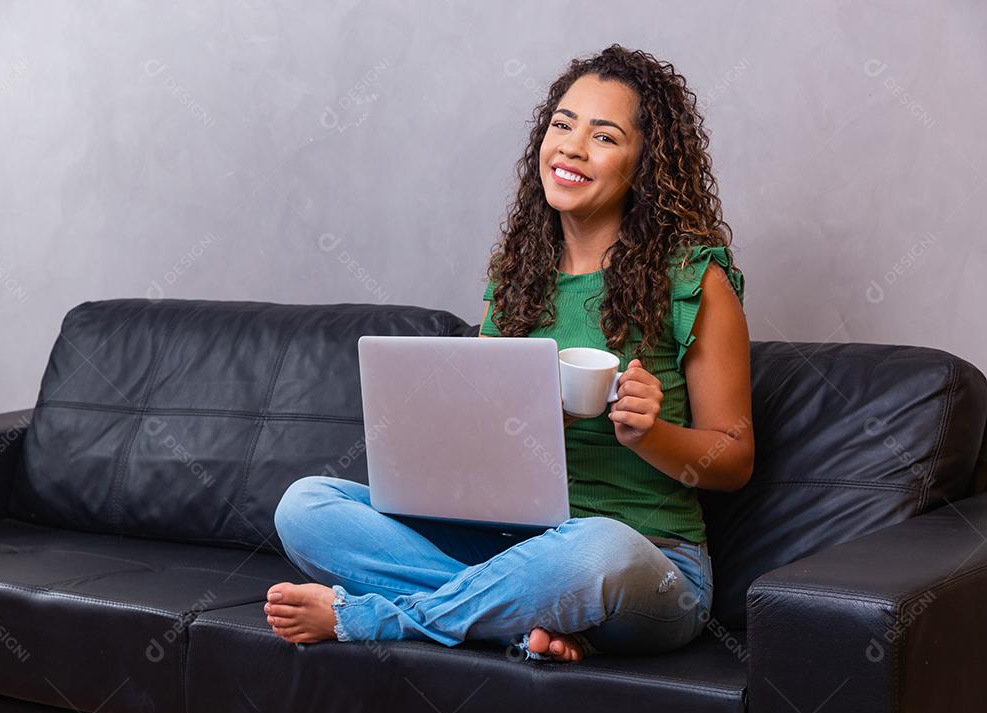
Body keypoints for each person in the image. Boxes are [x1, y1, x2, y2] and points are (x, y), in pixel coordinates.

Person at [264, 44, 753, 663]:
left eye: (603, 136)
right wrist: (517, 424)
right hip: (509, 548)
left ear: (646, 164)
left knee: (595, 549)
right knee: (306, 505)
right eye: (562, 125)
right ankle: (519, 617)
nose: (572, 147)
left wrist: (649, 433)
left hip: (645, 562)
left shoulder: (693, 278)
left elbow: (734, 460)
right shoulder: (517, 277)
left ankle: (378, 618)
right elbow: (479, 449)